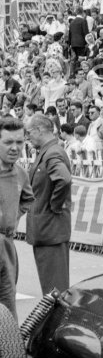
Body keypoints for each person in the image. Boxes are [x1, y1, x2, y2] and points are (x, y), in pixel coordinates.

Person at [26, 114, 72, 295]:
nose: (27, 137)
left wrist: (55, 206)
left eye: (29, 132)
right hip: (47, 230)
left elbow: (63, 180)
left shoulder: (52, 153)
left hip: (50, 230)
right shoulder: (48, 152)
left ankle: (57, 324)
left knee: (55, 291)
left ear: (38, 130)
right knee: (51, 289)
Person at [0, 117, 35, 316]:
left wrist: (12, 217)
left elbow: (28, 199)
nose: (15, 148)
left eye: (19, 142)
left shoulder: (21, 174)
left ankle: (8, 347)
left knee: (7, 308)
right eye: (8, 142)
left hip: (6, 246)